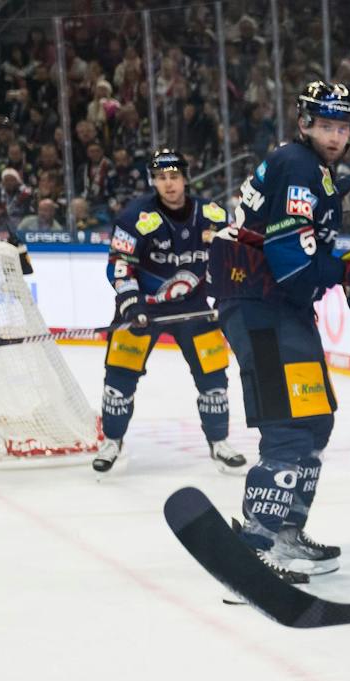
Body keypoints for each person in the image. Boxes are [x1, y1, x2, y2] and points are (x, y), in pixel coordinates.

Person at [206, 81, 350, 582]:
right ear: (305, 124)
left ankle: (285, 531)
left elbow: (300, 230)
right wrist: (348, 268)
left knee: (313, 421)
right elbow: (291, 264)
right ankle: (253, 548)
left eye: (342, 126)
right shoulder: (298, 166)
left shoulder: (312, 170)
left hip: (279, 310)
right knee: (288, 427)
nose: (334, 134)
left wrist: (342, 192)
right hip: (261, 307)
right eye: (324, 125)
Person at [90, 148, 243, 476]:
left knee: (213, 375)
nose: (169, 184)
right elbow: (120, 265)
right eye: (161, 178)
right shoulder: (135, 217)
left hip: (194, 307)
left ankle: (219, 442)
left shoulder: (213, 215)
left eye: (174, 177)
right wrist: (131, 304)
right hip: (145, 305)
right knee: (120, 375)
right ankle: (112, 440)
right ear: (153, 181)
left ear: (185, 178)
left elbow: (228, 260)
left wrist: (227, 297)